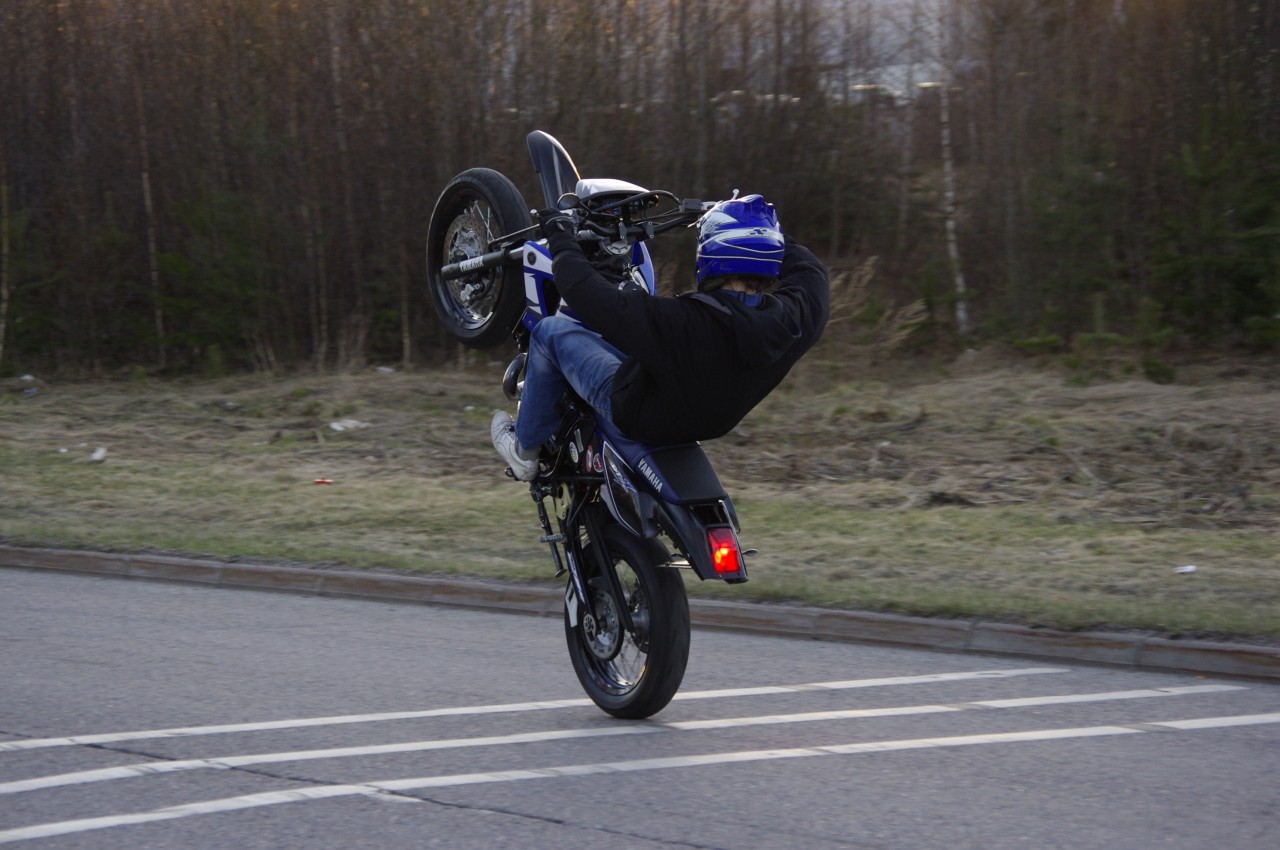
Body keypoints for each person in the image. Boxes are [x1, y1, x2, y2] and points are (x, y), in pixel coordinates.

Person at [491, 193, 829, 480]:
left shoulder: (683, 323)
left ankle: (525, 451)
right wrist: (764, 230)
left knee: (549, 332)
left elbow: (582, 290)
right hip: (710, 419)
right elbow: (812, 273)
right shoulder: (792, 321)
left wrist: (561, 236)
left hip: (641, 413)